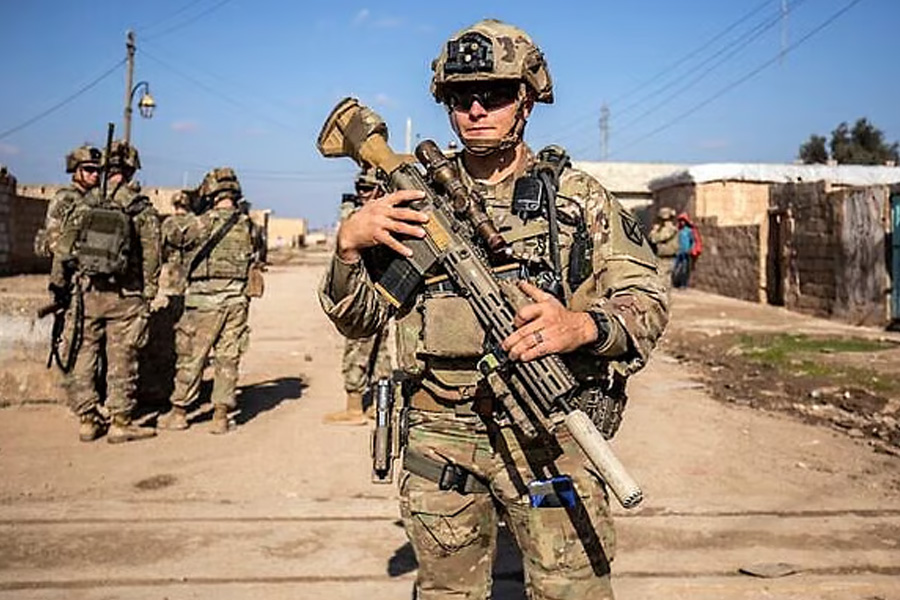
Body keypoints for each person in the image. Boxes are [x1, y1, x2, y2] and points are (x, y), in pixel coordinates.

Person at [318, 19, 668, 599]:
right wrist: (349, 247)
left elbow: (648, 301)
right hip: (441, 438)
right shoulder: (408, 200)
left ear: (526, 101)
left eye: (497, 94)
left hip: (551, 436)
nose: (477, 109)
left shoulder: (577, 200)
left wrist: (581, 325)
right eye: (461, 97)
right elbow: (358, 319)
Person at [51, 140, 160, 443]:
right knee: (122, 358)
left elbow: (62, 249)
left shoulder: (84, 203)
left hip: (86, 294)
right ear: (130, 170)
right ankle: (121, 422)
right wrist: (148, 295)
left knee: (83, 353)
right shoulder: (140, 208)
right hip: (126, 297)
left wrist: (59, 286)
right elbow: (153, 256)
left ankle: (87, 420)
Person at [158, 168, 256, 434]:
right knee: (227, 357)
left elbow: (170, 233)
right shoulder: (248, 226)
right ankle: (220, 416)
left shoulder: (201, 222)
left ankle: (179, 412)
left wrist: (179, 213)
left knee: (192, 357)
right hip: (237, 301)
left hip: (204, 301)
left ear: (211, 193)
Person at [324, 169, 392, 426]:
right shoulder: (388, 214)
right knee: (380, 352)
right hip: (384, 291)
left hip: (368, 293)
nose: (361, 194)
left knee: (360, 350)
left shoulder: (361, 217)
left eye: (366, 189)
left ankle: (356, 408)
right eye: (359, 189)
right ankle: (375, 404)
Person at [34, 144, 102, 259]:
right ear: (76, 170)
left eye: (98, 170)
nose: (95, 174)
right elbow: (53, 238)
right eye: (89, 169)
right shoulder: (64, 199)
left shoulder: (99, 199)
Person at [647, 206, 679, 285]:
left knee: (661, 282)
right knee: (664, 282)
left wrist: (655, 230)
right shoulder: (663, 228)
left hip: (666, 259)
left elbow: (656, 239)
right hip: (663, 258)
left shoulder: (670, 228)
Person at [672, 212, 697, 289]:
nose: (682, 222)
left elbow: (693, 241)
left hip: (686, 252)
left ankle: (683, 284)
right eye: (681, 221)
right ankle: (673, 283)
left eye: (683, 221)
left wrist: (691, 249)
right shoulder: (678, 231)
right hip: (678, 252)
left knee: (684, 269)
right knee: (674, 268)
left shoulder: (689, 231)